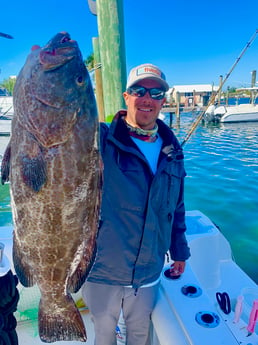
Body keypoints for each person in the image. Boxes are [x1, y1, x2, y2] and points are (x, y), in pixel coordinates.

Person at [82, 63, 190, 345]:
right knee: (104, 333)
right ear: (125, 96)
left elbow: (176, 207)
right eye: (138, 90)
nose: (147, 98)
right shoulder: (101, 139)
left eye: (156, 93)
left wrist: (180, 250)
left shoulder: (173, 151)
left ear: (163, 101)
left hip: (149, 269)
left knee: (139, 333)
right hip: (102, 267)